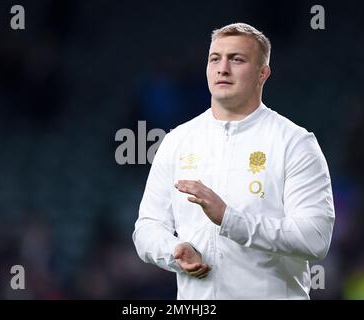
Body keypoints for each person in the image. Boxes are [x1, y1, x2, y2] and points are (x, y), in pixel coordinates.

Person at [132, 22, 335, 299]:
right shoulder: (177, 141)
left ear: (262, 73)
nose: (222, 68)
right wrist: (172, 250)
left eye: (237, 59)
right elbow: (147, 227)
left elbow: (315, 238)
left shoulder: (295, 143)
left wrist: (230, 219)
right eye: (215, 58)